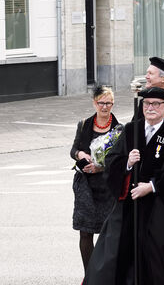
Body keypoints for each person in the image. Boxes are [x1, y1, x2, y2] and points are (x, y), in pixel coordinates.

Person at [84, 87, 164, 285]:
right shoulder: (130, 130)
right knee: (114, 255)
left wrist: (151, 186)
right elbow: (111, 162)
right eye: (147, 103)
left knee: (153, 261)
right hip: (128, 207)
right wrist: (127, 163)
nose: (150, 107)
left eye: (156, 104)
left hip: (159, 210)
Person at [70, 85, 121, 272]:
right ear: (94, 103)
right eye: (101, 103)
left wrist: (101, 166)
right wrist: (80, 155)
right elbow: (73, 150)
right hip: (85, 186)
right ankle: (89, 274)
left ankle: (105, 273)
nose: (105, 107)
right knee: (85, 231)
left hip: (107, 186)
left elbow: (120, 160)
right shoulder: (84, 124)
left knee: (108, 233)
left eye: (109, 103)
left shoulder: (119, 129)